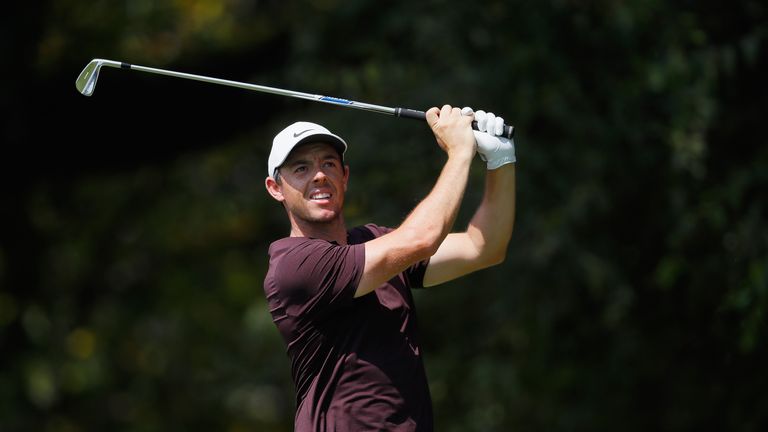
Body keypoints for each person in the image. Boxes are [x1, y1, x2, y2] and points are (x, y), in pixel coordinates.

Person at [263, 105, 516, 431]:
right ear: (275, 188)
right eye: (301, 168)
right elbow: (422, 238)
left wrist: (500, 162)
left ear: (345, 176)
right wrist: (460, 153)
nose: (320, 174)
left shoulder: (372, 241)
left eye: (329, 163)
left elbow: (483, 247)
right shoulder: (293, 264)